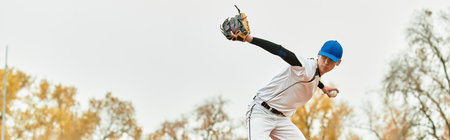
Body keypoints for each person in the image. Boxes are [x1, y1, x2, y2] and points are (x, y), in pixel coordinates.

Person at [229, 32, 343, 140]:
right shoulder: (306, 66)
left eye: (331, 60)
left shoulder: (314, 73)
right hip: (261, 112)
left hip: (281, 120)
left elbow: (312, 78)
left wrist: (323, 87)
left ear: (338, 62)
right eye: (324, 57)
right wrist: (250, 39)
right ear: (319, 53)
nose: (326, 62)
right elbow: (280, 50)